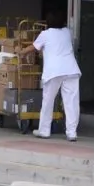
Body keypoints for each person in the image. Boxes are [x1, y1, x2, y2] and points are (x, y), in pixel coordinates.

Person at [19, 11, 81, 142]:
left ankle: (44, 130)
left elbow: (33, 47)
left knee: (48, 101)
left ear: (48, 23)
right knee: (71, 102)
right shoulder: (67, 33)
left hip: (54, 71)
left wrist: (21, 52)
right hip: (71, 69)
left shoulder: (45, 34)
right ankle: (72, 133)